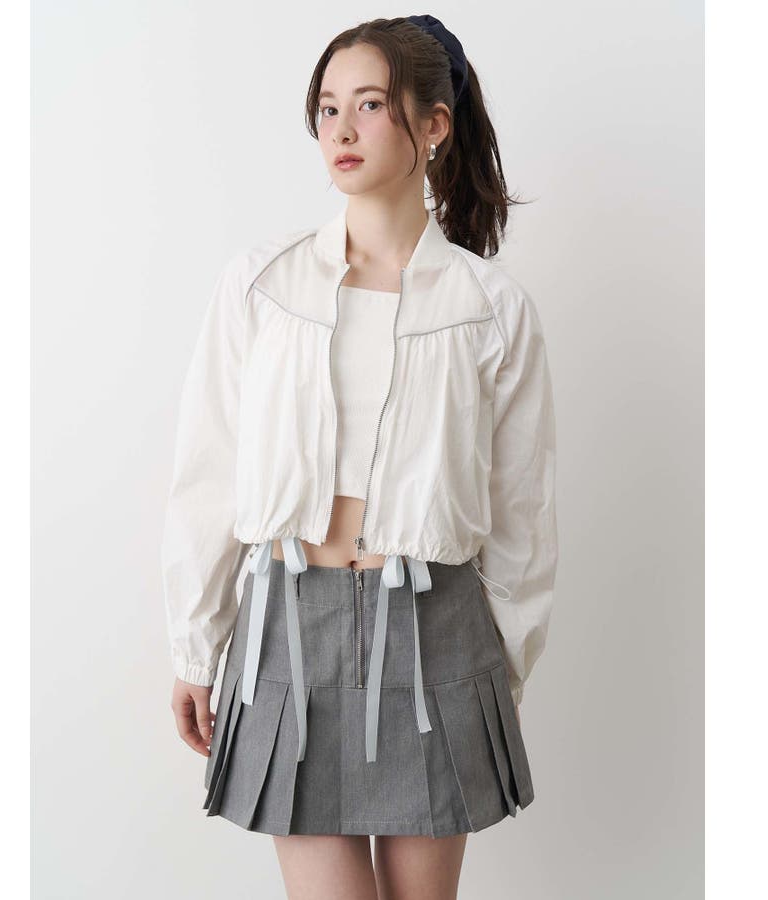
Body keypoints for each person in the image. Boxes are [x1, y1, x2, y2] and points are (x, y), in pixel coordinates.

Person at [161, 14, 559, 900]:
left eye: (370, 105)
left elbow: (523, 516)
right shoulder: (261, 285)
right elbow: (208, 472)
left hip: (437, 632)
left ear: (433, 124)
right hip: (285, 628)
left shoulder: (492, 310)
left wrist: (501, 672)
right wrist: (196, 644)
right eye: (328, 107)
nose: (341, 128)